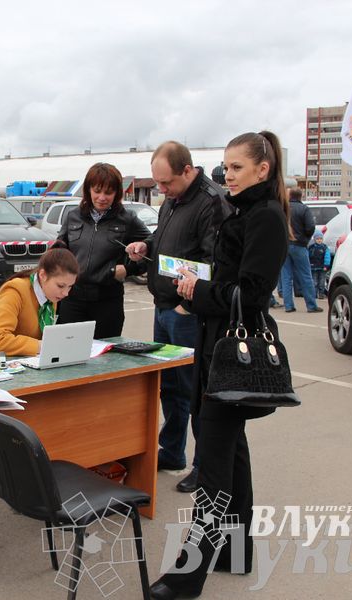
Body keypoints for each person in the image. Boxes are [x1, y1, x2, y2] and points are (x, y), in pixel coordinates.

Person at [147, 131, 289, 600]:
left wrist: (198, 292)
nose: (226, 175)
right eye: (225, 167)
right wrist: (199, 282)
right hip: (215, 348)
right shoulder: (245, 210)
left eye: (236, 168)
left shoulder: (265, 217)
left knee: (211, 463)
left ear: (262, 170)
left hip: (232, 350)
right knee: (233, 455)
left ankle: (187, 577)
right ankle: (236, 550)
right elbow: (229, 280)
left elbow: (251, 295)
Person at [125, 141, 230, 493]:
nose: (161, 190)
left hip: (188, 312)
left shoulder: (211, 202)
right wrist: (147, 247)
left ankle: (204, 466)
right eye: (157, 184)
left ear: (188, 170)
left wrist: (189, 305)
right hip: (164, 307)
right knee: (170, 387)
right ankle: (172, 452)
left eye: (166, 183)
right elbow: (165, 239)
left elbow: (215, 261)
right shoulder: (174, 198)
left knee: (196, 389)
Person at [55, 163, 150, 338]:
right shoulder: (73, 216)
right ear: (88, 190)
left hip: (107, 303)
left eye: (108, 192)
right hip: (72, 300)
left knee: (106, 360)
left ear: (117, 193)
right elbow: (60, 250)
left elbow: (152, 247)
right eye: (97, 190)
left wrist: (128, 269)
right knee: (68, 357)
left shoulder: (127, 220)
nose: (102, 197)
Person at [0, 247, 79, 356]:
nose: (66, 293)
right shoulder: (14, 290)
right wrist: (42, 346)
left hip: (25, 361)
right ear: (43, 275)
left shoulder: (50, 294)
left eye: (70, 286)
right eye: (61, 286)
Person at [280, 188, 322, 313]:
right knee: (305, 275)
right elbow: (310, 227)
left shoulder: (283, 209)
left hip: (285, 245)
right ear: (300, 196)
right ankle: (311, 305)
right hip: (299, 245)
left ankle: (288, 306)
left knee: (286, 277)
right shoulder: (304, 209)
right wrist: (305, 238)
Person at [308, 233, 331, 299]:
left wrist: (326, 265)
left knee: (322, 282)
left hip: (322, 267)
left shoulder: (324, 247)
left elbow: (327, 257)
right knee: (314, 282)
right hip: (313, 267)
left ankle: (321, 294)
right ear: (314, 239)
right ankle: (314, 294)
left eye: (320, 239)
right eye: (317, 239)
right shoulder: (311, 247)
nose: (319, 240)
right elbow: (308, 256)